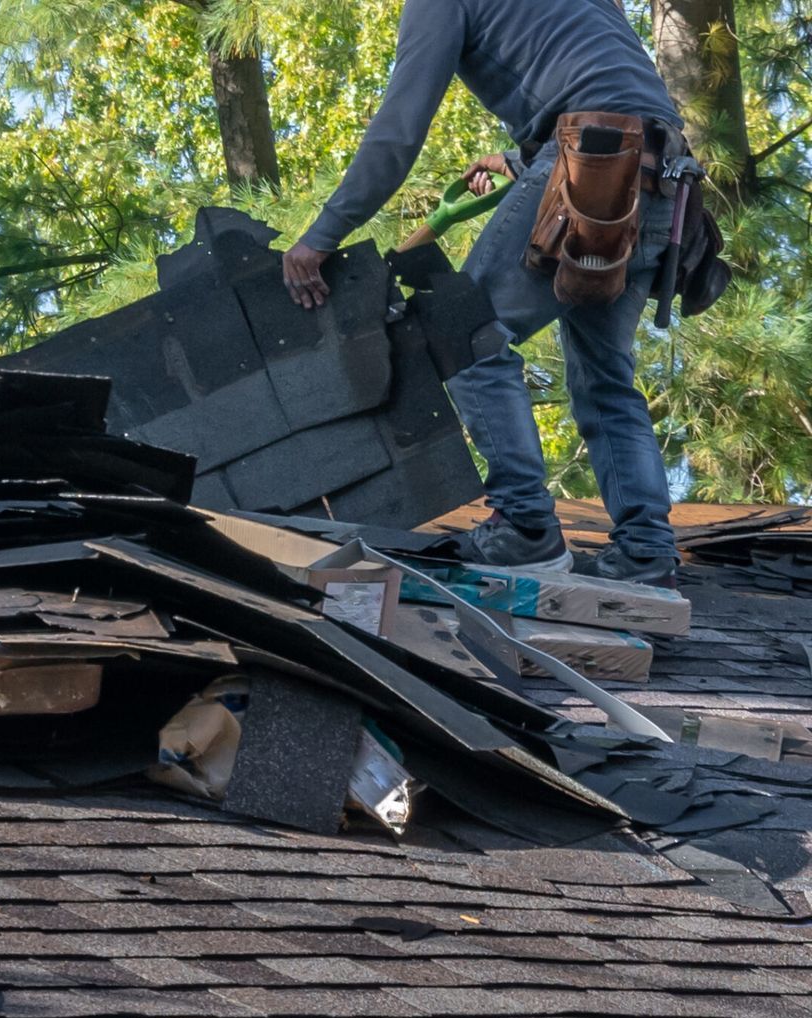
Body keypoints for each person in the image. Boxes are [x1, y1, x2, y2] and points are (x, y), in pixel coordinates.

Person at [281, 0, 684, 588]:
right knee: (605, 377)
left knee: (465, 334)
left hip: (590, 163)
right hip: (665, 180)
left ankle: (524, 528)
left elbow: (398, 132)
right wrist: (524, 157)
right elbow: (612, 88)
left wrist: (321, 237)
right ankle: (647, 551)